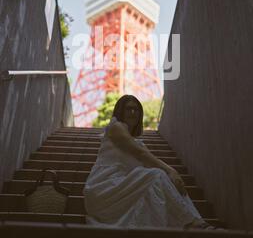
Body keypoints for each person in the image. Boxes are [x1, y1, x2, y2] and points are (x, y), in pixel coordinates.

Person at [84, 95, 212, 229]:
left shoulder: (137, 142)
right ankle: (192, 222)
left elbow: (148, 159)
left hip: (120, 188)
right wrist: (171, 170)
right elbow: (142, 154)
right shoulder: (115, 127)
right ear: (120, 111)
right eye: (128, 109)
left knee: (162, 180)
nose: (133, 112)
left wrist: (172, 174)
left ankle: (196, 221)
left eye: (136, 110)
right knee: (157, 175)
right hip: (103, 188)